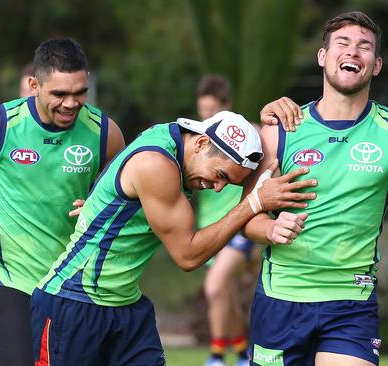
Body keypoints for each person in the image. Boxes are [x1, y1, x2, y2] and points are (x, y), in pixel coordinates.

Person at [244, 11, 388, 366]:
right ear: (323, 57)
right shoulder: (280, 131)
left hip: (352, 301)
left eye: (364, 47)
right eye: (342, 43)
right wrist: (271, 228)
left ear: (375, 65)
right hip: (281, 298)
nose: (353, 52)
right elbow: (245, 216)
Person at [30, 111, 315, 365]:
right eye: (219, 175)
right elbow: (187, 255)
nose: (217, 188)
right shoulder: (156, 163)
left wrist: (273, 110)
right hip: (74, 304)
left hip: (126, 308)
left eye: (228, 182)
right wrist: (254, 203)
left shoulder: (174, 141)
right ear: (202, 143)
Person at [0, 37, 125, 366]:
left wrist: (100, 205)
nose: (71, 103)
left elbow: (125, 192)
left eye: (79, 92)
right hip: (11, 275)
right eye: (59, 94)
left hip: (74, 280)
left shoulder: (104, 133)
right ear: (33, 85)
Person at [194, 75, 255, 366]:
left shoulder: (249, 140)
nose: (206, 117)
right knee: (225, 295)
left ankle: (217, 356)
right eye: (202, 111)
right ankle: (243, 353)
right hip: (209, 228)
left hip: (238, 226)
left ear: (228, 108)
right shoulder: (198, 142)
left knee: (215, 287)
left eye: (212, 111)